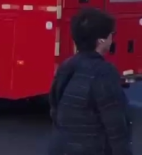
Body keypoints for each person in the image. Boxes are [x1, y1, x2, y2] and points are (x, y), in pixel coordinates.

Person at [48, 8, 134, 155]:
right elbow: (115, 123)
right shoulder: (104, 72)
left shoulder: (66, 66)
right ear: (101, 40)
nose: (112, 39)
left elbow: (55, 108)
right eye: (112, 34)